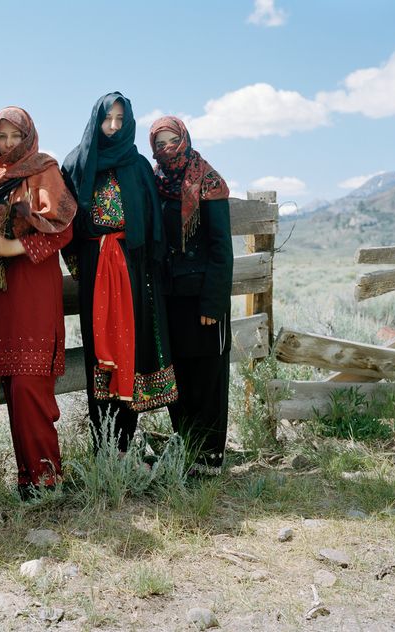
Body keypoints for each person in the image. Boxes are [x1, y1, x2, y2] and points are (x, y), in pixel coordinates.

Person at [61, 92, 178, 454]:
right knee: (101, 353)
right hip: (97, 271)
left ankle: (126, 444)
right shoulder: (77, 163)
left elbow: (154, 223)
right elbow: (67, 224)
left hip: (135, 272)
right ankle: (104, 448)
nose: (112, 126)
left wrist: (148, 270)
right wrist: (81, 267)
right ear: (96, 119)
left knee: (133, 349)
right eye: (107, 118)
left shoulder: (138, 166)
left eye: (119, 120)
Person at [0, 106, 76, 497]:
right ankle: (27, 479)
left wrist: (14, 247)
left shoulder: (43, 170)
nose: (9, 143)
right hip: (1, 294)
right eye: (2, 137)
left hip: (33, 288)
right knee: (15, 384)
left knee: (32, 383)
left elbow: (61, 232)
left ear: (29, 136)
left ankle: (47, 478)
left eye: (16, 135)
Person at [149, 116, 232, 475]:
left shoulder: (209, 181)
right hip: (171, 297)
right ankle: (187, 449)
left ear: (184, 138)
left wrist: (213, 303)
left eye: (172, 140)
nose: (167, 149)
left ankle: (210, 456)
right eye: (160, 143)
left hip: (203, 299)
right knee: (179, 375)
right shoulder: (156, 183)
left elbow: (220, 248)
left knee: (208, 375)